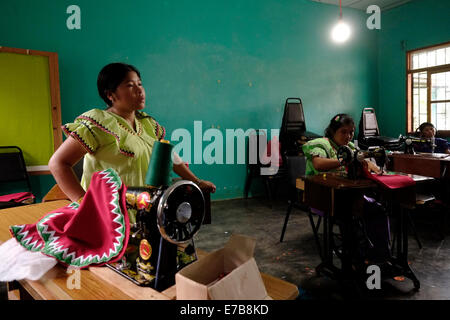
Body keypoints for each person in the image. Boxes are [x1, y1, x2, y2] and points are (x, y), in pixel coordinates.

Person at [49, 62, 216, 203]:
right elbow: (58, 163)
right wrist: (83, 204)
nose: (139, 90)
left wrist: (197, 182)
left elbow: (169, 156)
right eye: (130, 85)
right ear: (110, 94)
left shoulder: (148, 124)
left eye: (140, 84)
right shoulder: (97, 124)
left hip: (143, 209)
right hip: (109, 215)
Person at [302, 113, 380, 176]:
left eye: (351, 132)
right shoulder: (322, 144)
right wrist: (345, 160)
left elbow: (359, 157)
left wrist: (367, 163)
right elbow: (318, 164)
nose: (348, 136)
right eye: (343, 132)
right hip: (317, 188)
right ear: (333, 131)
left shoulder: (350, 146)